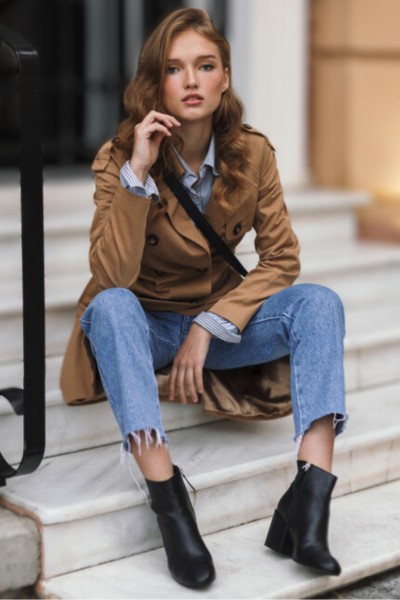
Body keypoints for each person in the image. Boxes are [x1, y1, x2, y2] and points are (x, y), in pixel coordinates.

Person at [60, 7, 347, 590]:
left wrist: (211, 322)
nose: (191, 81)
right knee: (108, 307)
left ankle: (310, 505)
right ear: (154, 83)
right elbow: (111, 275)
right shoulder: (119, 158)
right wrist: (140, 173)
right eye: (174, 68)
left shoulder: (252, 154)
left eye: (205, 65)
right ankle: (171, 508)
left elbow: (282, 259)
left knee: (319, 302)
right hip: (145, 323)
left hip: (217, 326)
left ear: (224, 78)